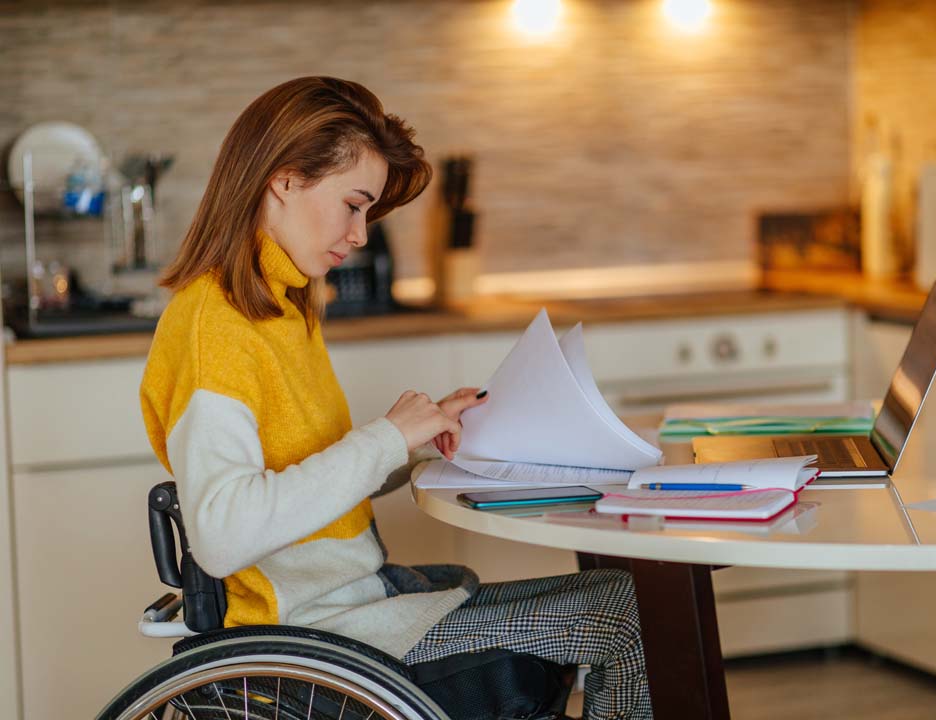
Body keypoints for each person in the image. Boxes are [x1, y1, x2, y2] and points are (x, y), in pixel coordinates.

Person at [139, 76, 652, 719]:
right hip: (323, 640)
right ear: (285, 180)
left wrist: (416, 445)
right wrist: (385, 436)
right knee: (624, 620)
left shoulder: (280, 309)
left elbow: (309, 484)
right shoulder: (215, 324)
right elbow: (222, 533)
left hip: (362, 605)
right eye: (353, 205)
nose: (360, 235)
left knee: (619, 592)